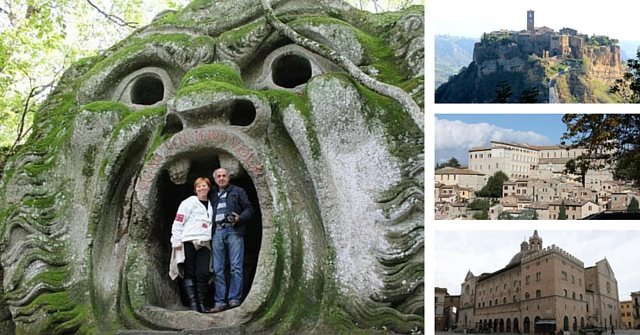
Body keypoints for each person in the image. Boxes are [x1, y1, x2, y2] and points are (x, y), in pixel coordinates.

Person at [209, 167, 254, 313]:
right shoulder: (212, 194)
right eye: (218, 176)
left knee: (236, 266)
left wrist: (239, 218)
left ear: (229, 177)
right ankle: (219, 301)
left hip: (234, 230)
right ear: (215, 179)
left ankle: (234, 299)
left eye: (224, 176)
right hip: (217, 231)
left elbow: (249, 209)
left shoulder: (238, 191)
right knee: (218, 268)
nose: (221, 178)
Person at [170, 177, 213, 313]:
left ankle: (200, 302)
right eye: (199, 186)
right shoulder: (188, 202)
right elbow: (179, 220)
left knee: (204, 273)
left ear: (209, 188)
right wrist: (176, 240)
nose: (202, 188)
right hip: (188, 240)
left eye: (204, 186)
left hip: (205, 242)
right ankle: (194, 305)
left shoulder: (211, 204)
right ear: (195, 189)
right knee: (189, 272)